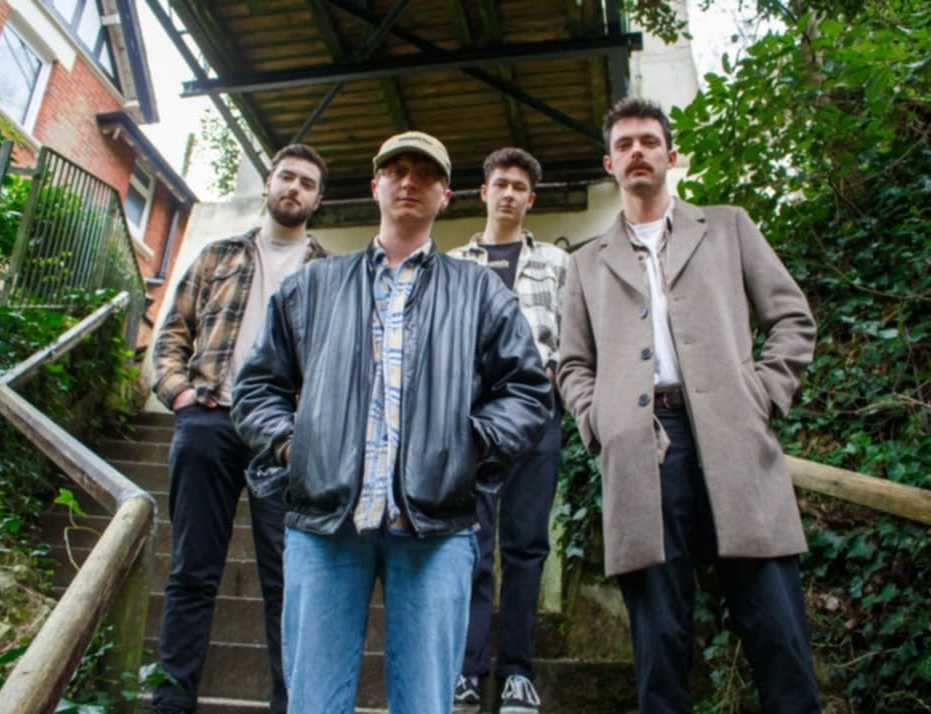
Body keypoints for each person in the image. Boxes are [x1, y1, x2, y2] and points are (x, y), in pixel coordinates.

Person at [230, 131, 553, 714]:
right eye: (397, 169)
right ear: (374, 184)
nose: (410, 181)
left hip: (436, 529)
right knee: (313, 704)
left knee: (425, 704)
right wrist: (291, 447)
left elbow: (528, 391)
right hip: (324, 524)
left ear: (446, 195)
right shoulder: (312, 285)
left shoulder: (479, 289)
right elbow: (256, 387)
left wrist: (470, 446)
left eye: (426, 173)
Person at [557, 97, 821, 713]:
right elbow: (572, 364)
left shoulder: (728, 226)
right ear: (609, 163)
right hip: (640, 445)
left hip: (734, 430)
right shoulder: (585, 263)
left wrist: (762, 394)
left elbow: (792, 319)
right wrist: (601, 422)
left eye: (649, 141)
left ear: (671, 155)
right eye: (624, 144)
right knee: (660, 637)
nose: (637, 152)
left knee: (776, 625)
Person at [150, 144, 330, 714]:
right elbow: (171, 333)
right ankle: (171, 704)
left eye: (306, 183)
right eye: (286, 177)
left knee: (289, 579)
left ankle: (290, 704)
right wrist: (180, 394)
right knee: (192, 571)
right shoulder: (218, 254)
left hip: (286, 439)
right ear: (269, 184)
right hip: (210, 420)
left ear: (317, 199)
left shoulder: (328, 274)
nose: (294, 188)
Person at [448, 148, 568, 714]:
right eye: (501, 184)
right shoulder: (453, 263)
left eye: (520, 186)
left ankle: (517, 671)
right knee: (470, 542)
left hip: (537, 413)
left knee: (526, 544)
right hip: (469, 416)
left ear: (530, 198)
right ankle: (467, 669)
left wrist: (558, 373)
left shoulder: (557, 263)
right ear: (484, 192)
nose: (509, 194)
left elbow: (575, 335)